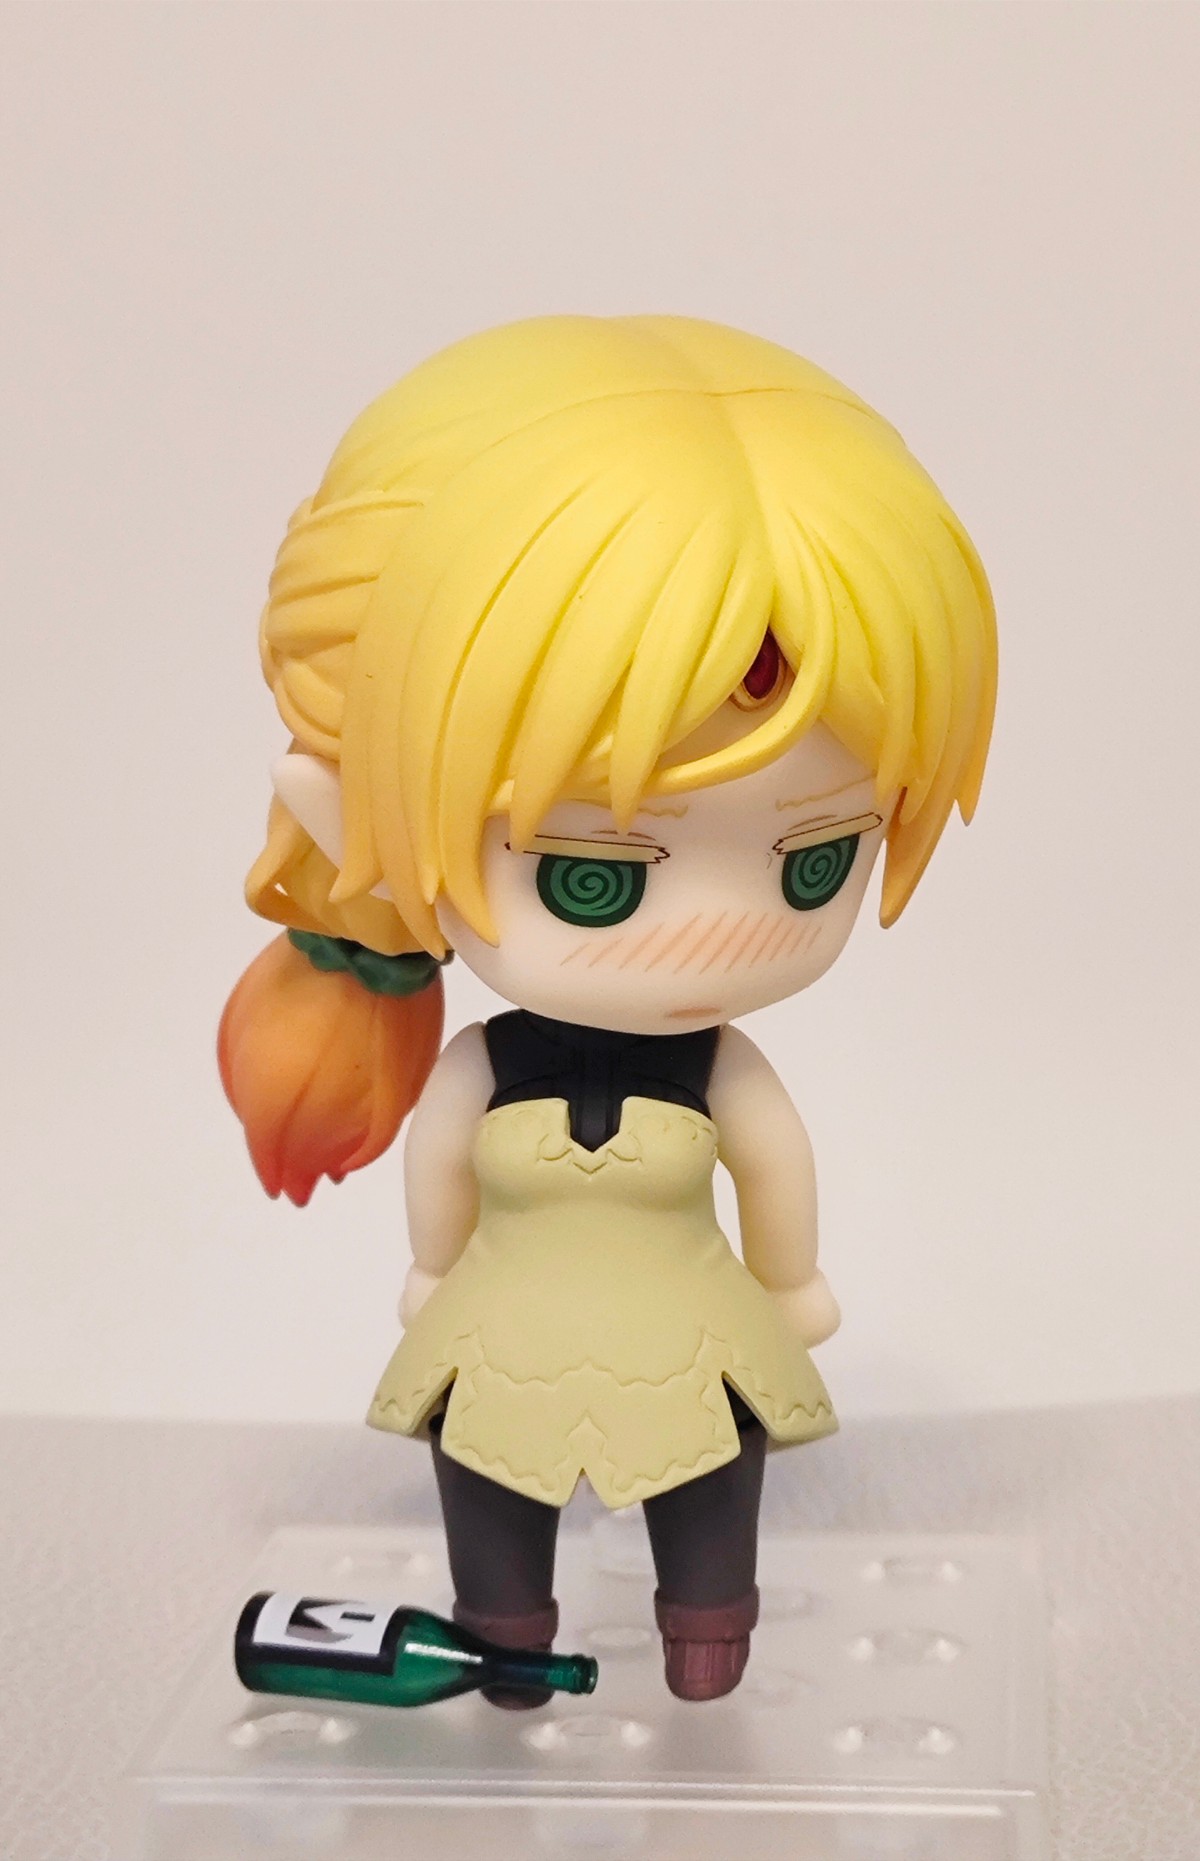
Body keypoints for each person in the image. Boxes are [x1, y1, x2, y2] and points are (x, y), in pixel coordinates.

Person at [220, 315, 997, 1703]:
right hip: (504, 1334)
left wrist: (790, 1280)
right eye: (594, 879)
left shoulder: (719, 1069)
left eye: (814, 861)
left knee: (708, 1478)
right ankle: (506, 1646)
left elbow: (773, 1164)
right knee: (491, 1477)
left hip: (693, 1337)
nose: (721, 929)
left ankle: (709, 1635)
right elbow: (440, 1169)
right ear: (349, 817)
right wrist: (432, 1269)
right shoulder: (486, 1066)